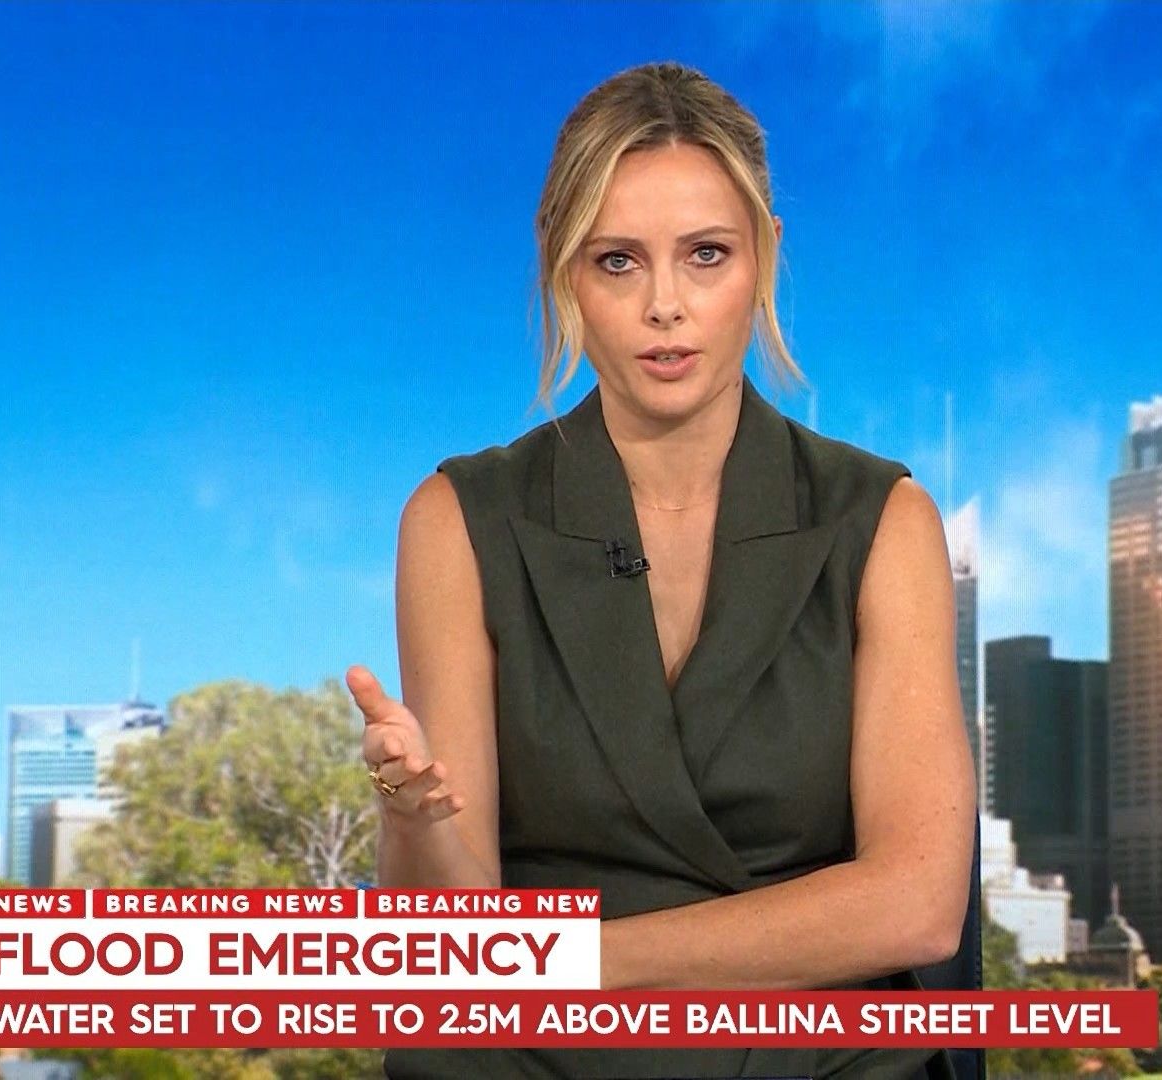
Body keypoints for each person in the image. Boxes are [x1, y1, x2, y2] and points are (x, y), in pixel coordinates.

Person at [347, 60, 978, 1080]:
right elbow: (458, 944)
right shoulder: (457, 519)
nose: (666, 306)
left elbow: (918, 903)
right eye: (618, 262)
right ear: (564, 271)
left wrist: (583, 966)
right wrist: (411, 819)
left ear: (764, 259)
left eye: (707, 255)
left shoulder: (884, 521)